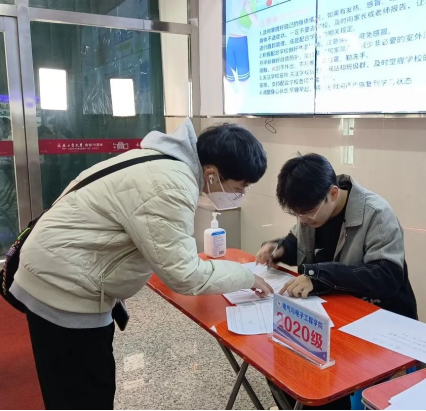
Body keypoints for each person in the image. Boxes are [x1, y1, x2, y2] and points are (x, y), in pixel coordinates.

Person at [11, 119, 273, 411]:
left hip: (60, 269)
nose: (240, 195)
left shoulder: (161, 161)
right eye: (239, 188)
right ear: (211, 174)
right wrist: (247, 276)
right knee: (84, 392)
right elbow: (185, 275)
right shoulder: (170, 184)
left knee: (77, 387)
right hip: (64, 286)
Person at [256, 154, 418, 410]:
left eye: (307, 214)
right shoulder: (313, 210)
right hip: (337, 315)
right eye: (297, 214)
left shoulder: (376, 213)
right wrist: (279, 249)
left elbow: (386, 276)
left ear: (333, 193)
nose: (303, 220)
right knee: (278, 364)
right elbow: (299, 244)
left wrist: (319, 277)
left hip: (381, 321)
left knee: (323, 386)